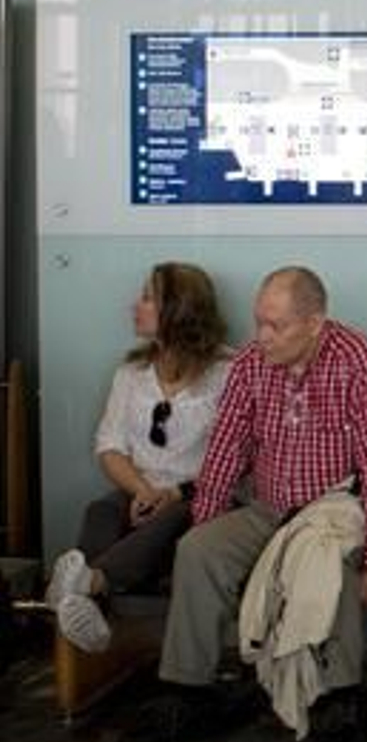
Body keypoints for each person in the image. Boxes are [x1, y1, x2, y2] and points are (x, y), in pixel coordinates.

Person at [123, 266, 367, 742]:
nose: (262, 336)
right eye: (259, 322)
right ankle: (186, 691)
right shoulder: (251, 363)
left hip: (332, 511)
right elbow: (226, 450)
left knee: (325, 563)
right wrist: (207, 521)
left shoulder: (359, 359)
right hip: (268, 508)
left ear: (315, 324)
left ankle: (338, 698)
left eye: (276, 326)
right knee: (197, 550)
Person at [43, 262, 232, 653]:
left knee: (175, 518)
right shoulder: (131, 373)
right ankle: (87, 611)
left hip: (198, 496)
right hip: (141, 488)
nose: (134, 306)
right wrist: (142, 491)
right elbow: (109, 446)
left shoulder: (228, 373)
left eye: (147, 298)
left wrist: (174, 494)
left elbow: (238, 460)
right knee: (101, 510)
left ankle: (87, 584)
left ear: (178, 309)